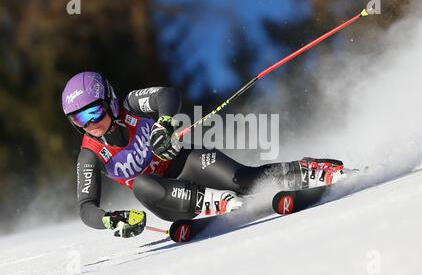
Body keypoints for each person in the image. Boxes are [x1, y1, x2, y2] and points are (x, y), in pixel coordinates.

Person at [62, 71, 346, 238]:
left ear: (109, 101)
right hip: (166, 198)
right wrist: (111, 220)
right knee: (141, 184)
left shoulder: (129, 105)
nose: (90, 123)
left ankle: (307, 170)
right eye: (78, 120)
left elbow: (167, 95)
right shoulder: (91, 153)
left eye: (93, 111)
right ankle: (213, 202)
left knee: (243, 179)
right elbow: (86, 207)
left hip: (185, 164)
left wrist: (164, 124)